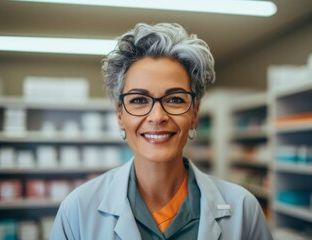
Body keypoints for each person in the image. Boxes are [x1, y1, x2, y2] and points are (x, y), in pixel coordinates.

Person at [51, 23, 273, 240]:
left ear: (194, 113)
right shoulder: (77, 211)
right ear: (120, 116)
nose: (157, 117)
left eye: (175, 99)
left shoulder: (243, 209)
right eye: (138, 100)